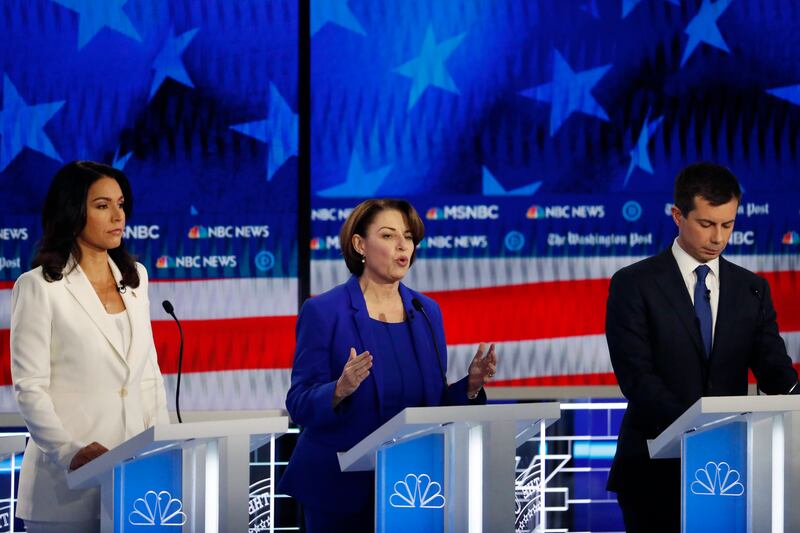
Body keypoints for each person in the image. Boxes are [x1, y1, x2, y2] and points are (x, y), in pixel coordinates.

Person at [280, 199, 497, 532]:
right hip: (339, 491)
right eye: (388, 235)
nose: (402, 245)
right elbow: (298, 403)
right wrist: (338, 389)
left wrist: (469, 387)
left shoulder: (426, 311)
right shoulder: (324, 311)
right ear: (359, 244)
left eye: (408, 237)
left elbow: (431, 405)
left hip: (412, 488)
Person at [605, 162, 799, 532]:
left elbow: (776, 375)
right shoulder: (634, 284)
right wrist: (699, 430)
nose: (719, 238)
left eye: (728, 225)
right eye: (707, 224)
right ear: (678, 215)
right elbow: (637, 378)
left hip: (730, 472)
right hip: (653, 469)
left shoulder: (751, 290)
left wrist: (794, 396)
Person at [10, 161, 170, 532]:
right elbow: (30, 388)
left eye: (121, 203)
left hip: (137, 488)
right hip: (65, 489)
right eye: (102, 206)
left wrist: (162, 453)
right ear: (73, 211)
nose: (118, 215)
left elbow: (147, 376)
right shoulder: (39, 287)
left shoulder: (136, 278)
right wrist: (70, 452)